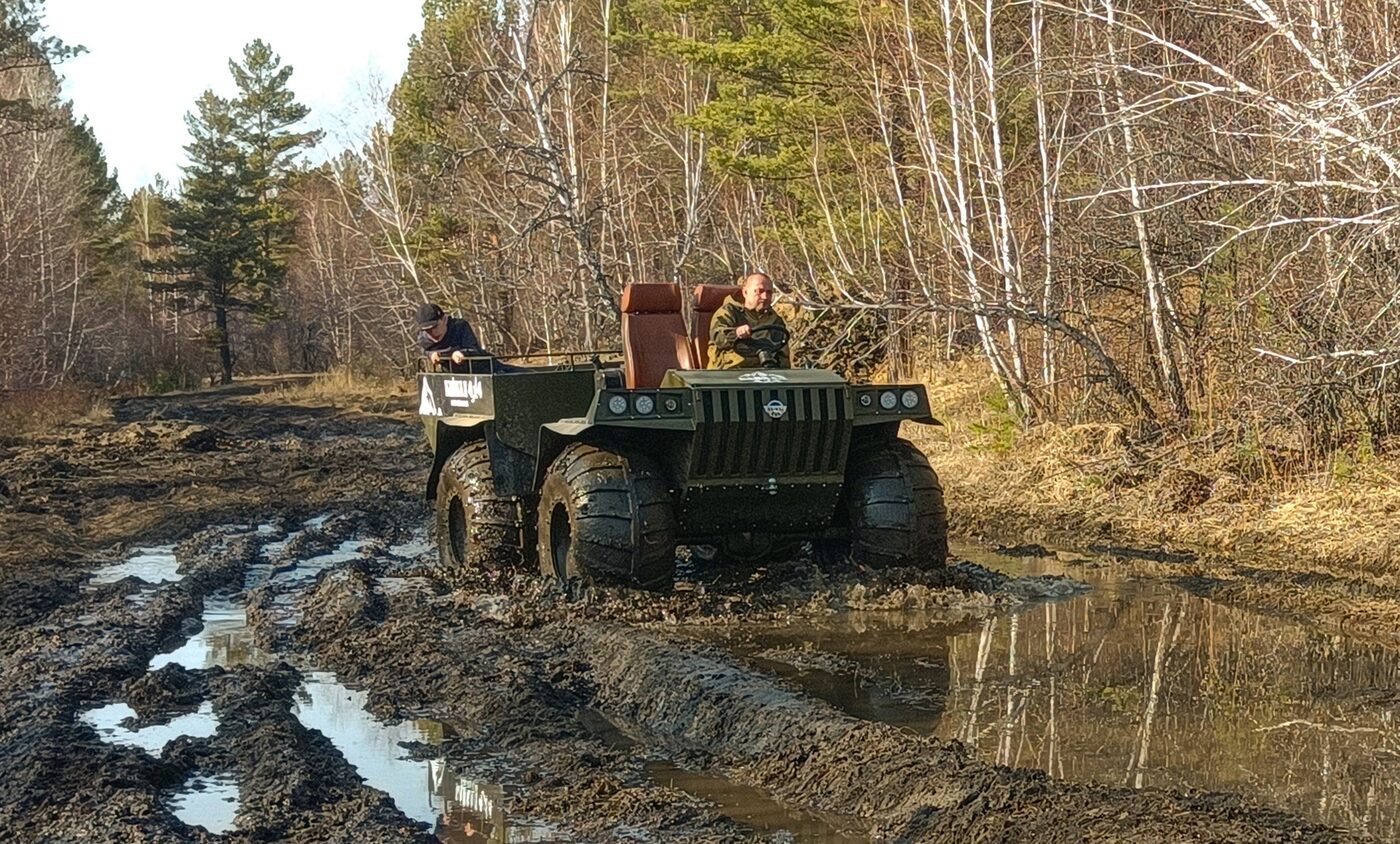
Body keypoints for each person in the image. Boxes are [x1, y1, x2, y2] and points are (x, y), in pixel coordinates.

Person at [707, 272, 791, 369]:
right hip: (731, 371)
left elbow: (782, 352)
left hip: (766, 372)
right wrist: (736, 333)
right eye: (759, 291)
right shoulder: (729, 312)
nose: (765, 297)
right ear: (745, 292)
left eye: (769, 292)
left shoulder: (774, 319)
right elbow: (718, 336)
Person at [416, 302, 485, 367]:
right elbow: (425, 350)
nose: (432, 332)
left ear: (444, 320)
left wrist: (462, 353)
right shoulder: (423, 337)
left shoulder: (460, 327)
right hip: (451, 376)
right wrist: (431, 354)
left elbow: (475, 350)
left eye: (435, 326)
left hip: (482, 370)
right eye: (427, 330)